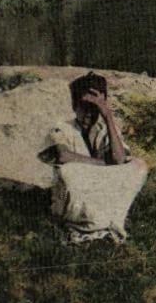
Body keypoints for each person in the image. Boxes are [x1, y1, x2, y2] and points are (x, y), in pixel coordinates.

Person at [41, 74, 148, 245]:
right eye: (84, 107)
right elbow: (63, 155)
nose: (88, 114)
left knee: (139, 166)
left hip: (98, 191)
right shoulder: (62, 128)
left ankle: (104, 222)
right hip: (73, 201)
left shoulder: (104, 129)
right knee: (68, 171)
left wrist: (107, 115)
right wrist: (105, 165)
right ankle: (87, 224)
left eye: (94, 109)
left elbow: (120, 159)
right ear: (74, 105)